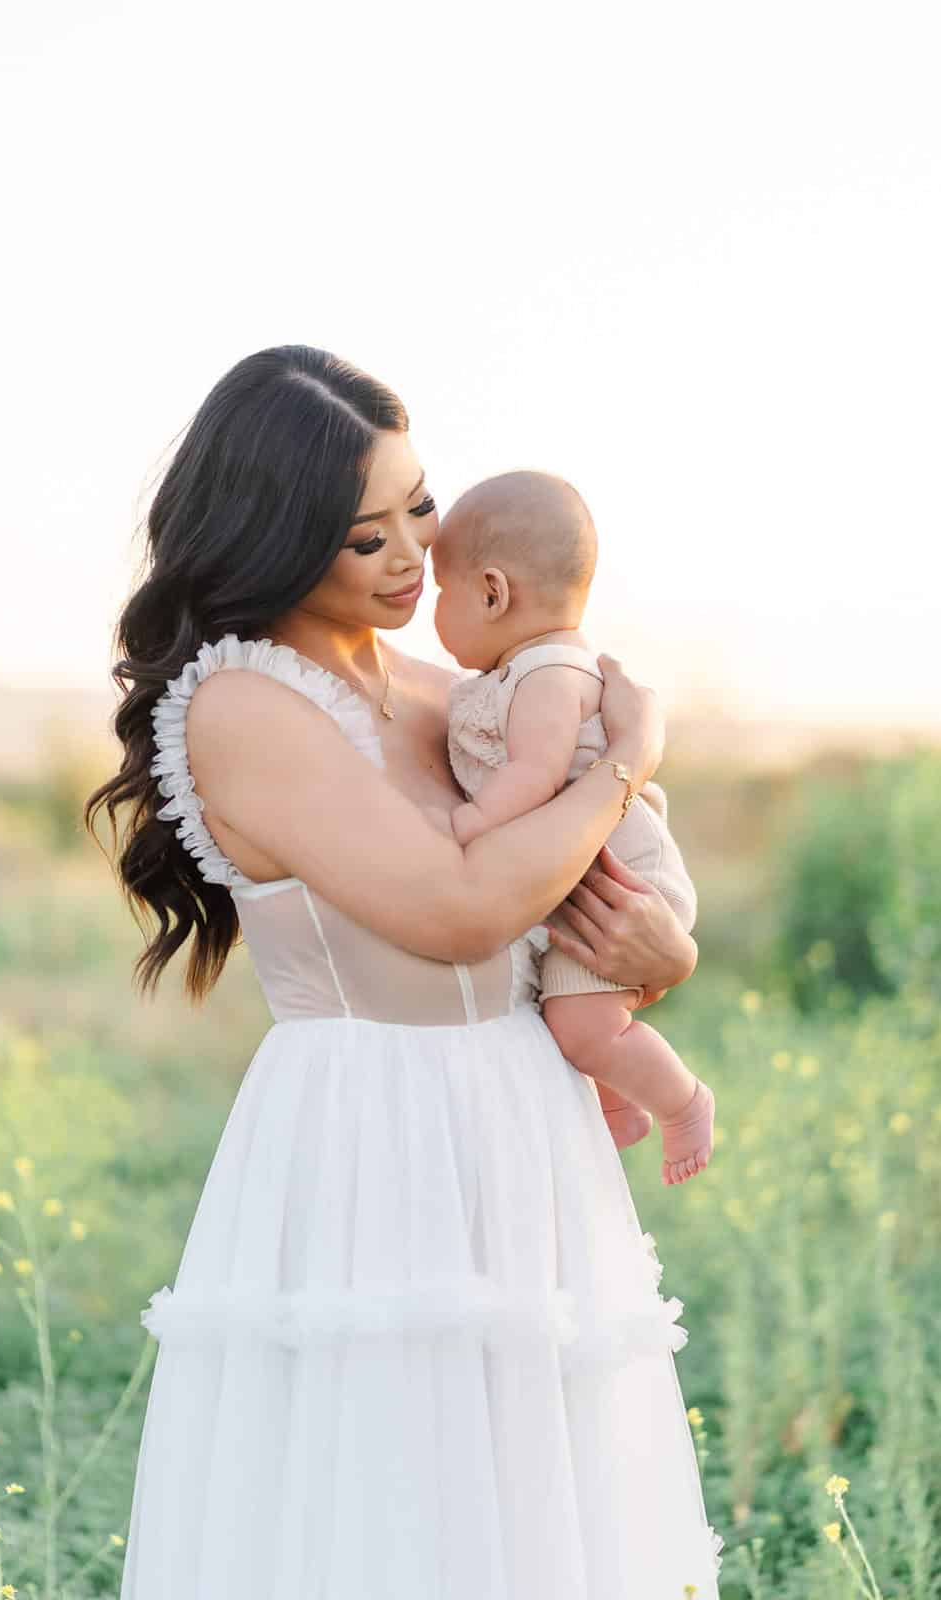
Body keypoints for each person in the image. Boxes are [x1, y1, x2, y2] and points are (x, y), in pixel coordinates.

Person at [85, 345, 724, 1597]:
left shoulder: (460, 692)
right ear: (270, 538)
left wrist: (670, 953)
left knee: (534, 1501)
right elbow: (462, 909)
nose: (408, 556)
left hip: (522, 1115)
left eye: (416, 509)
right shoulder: (244, 708)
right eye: (356, 534)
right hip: (372, 1130)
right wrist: (624, 760)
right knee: (386, 1502)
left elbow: (581, 910)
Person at [432, 469, 716, 1186]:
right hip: (590, 875)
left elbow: (533, 774)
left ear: (493, 591)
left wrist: (468, 822)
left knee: (584, 1029)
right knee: (575, 1023)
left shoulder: (549, 674)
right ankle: (620, 1103)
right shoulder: (524, 671)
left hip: (622, 885)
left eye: (443, 590)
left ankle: (683, 1102)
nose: (431, 609)